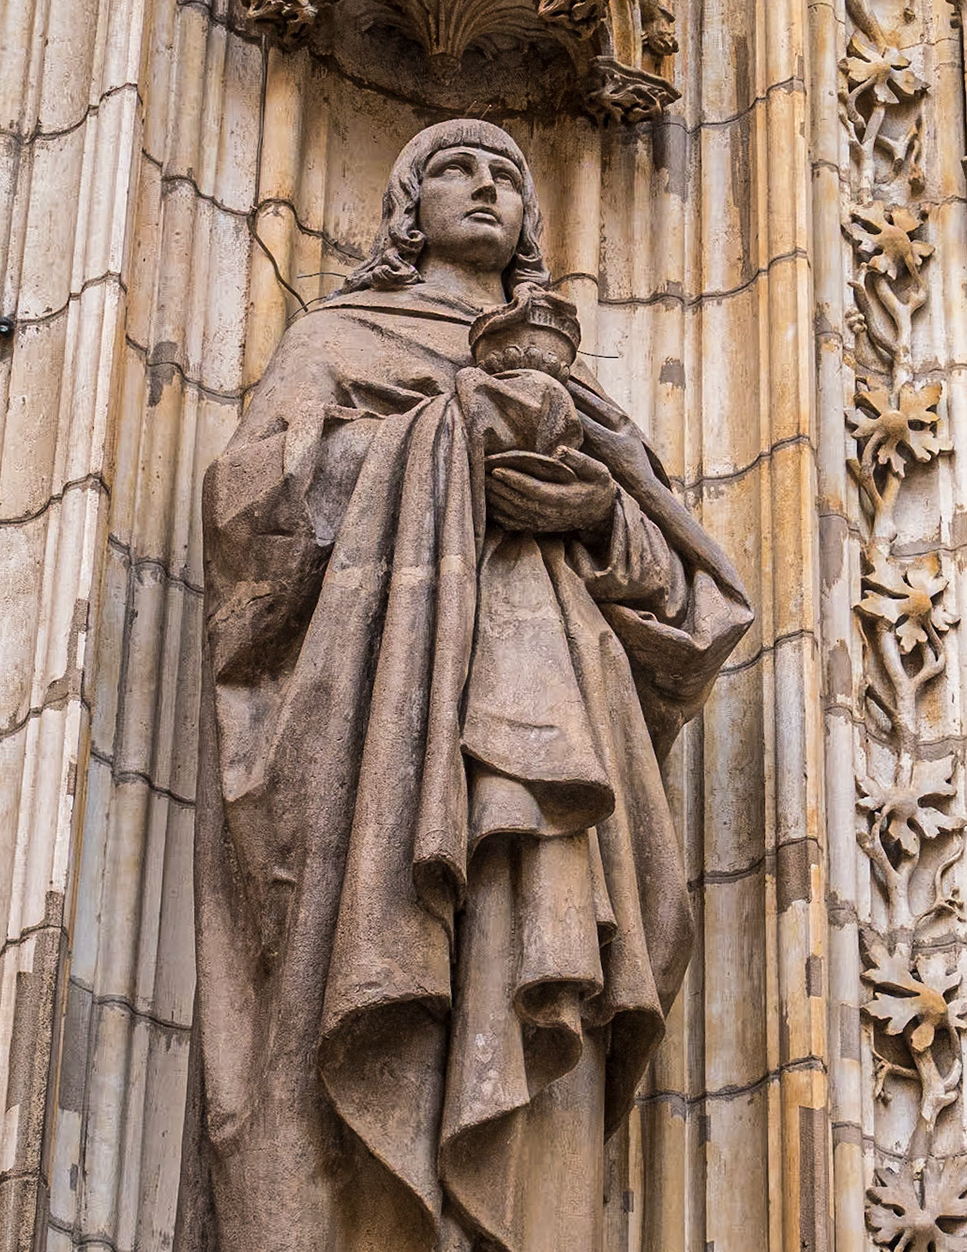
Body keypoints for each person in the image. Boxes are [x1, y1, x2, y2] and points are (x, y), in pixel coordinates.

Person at [180, 119, 752, 1252]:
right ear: (409, 204)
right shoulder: (339, 339)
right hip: (387, 741)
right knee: (389, 969)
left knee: (545, 963)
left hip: (563, 746)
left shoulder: (581, 395)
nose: (487, 186)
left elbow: (684, 595)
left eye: (508, 175)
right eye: (457, 168)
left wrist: (592, 511)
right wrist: (451, 443)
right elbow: (253, 511)